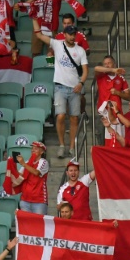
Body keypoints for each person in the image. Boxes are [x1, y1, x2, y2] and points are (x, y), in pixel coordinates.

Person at [32, 23, 88, 159]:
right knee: (61, 116)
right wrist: (34, 18)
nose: (72, 36)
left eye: (74, 34)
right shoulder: (57, 44)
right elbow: (39, 35)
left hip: (75, 87)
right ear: (65, 34)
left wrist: (81, 83)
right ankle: (62, 145)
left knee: (74, 118)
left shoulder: (80, 50)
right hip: (60, 86)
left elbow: (85, 71)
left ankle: (72, 147)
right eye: (70, 34)